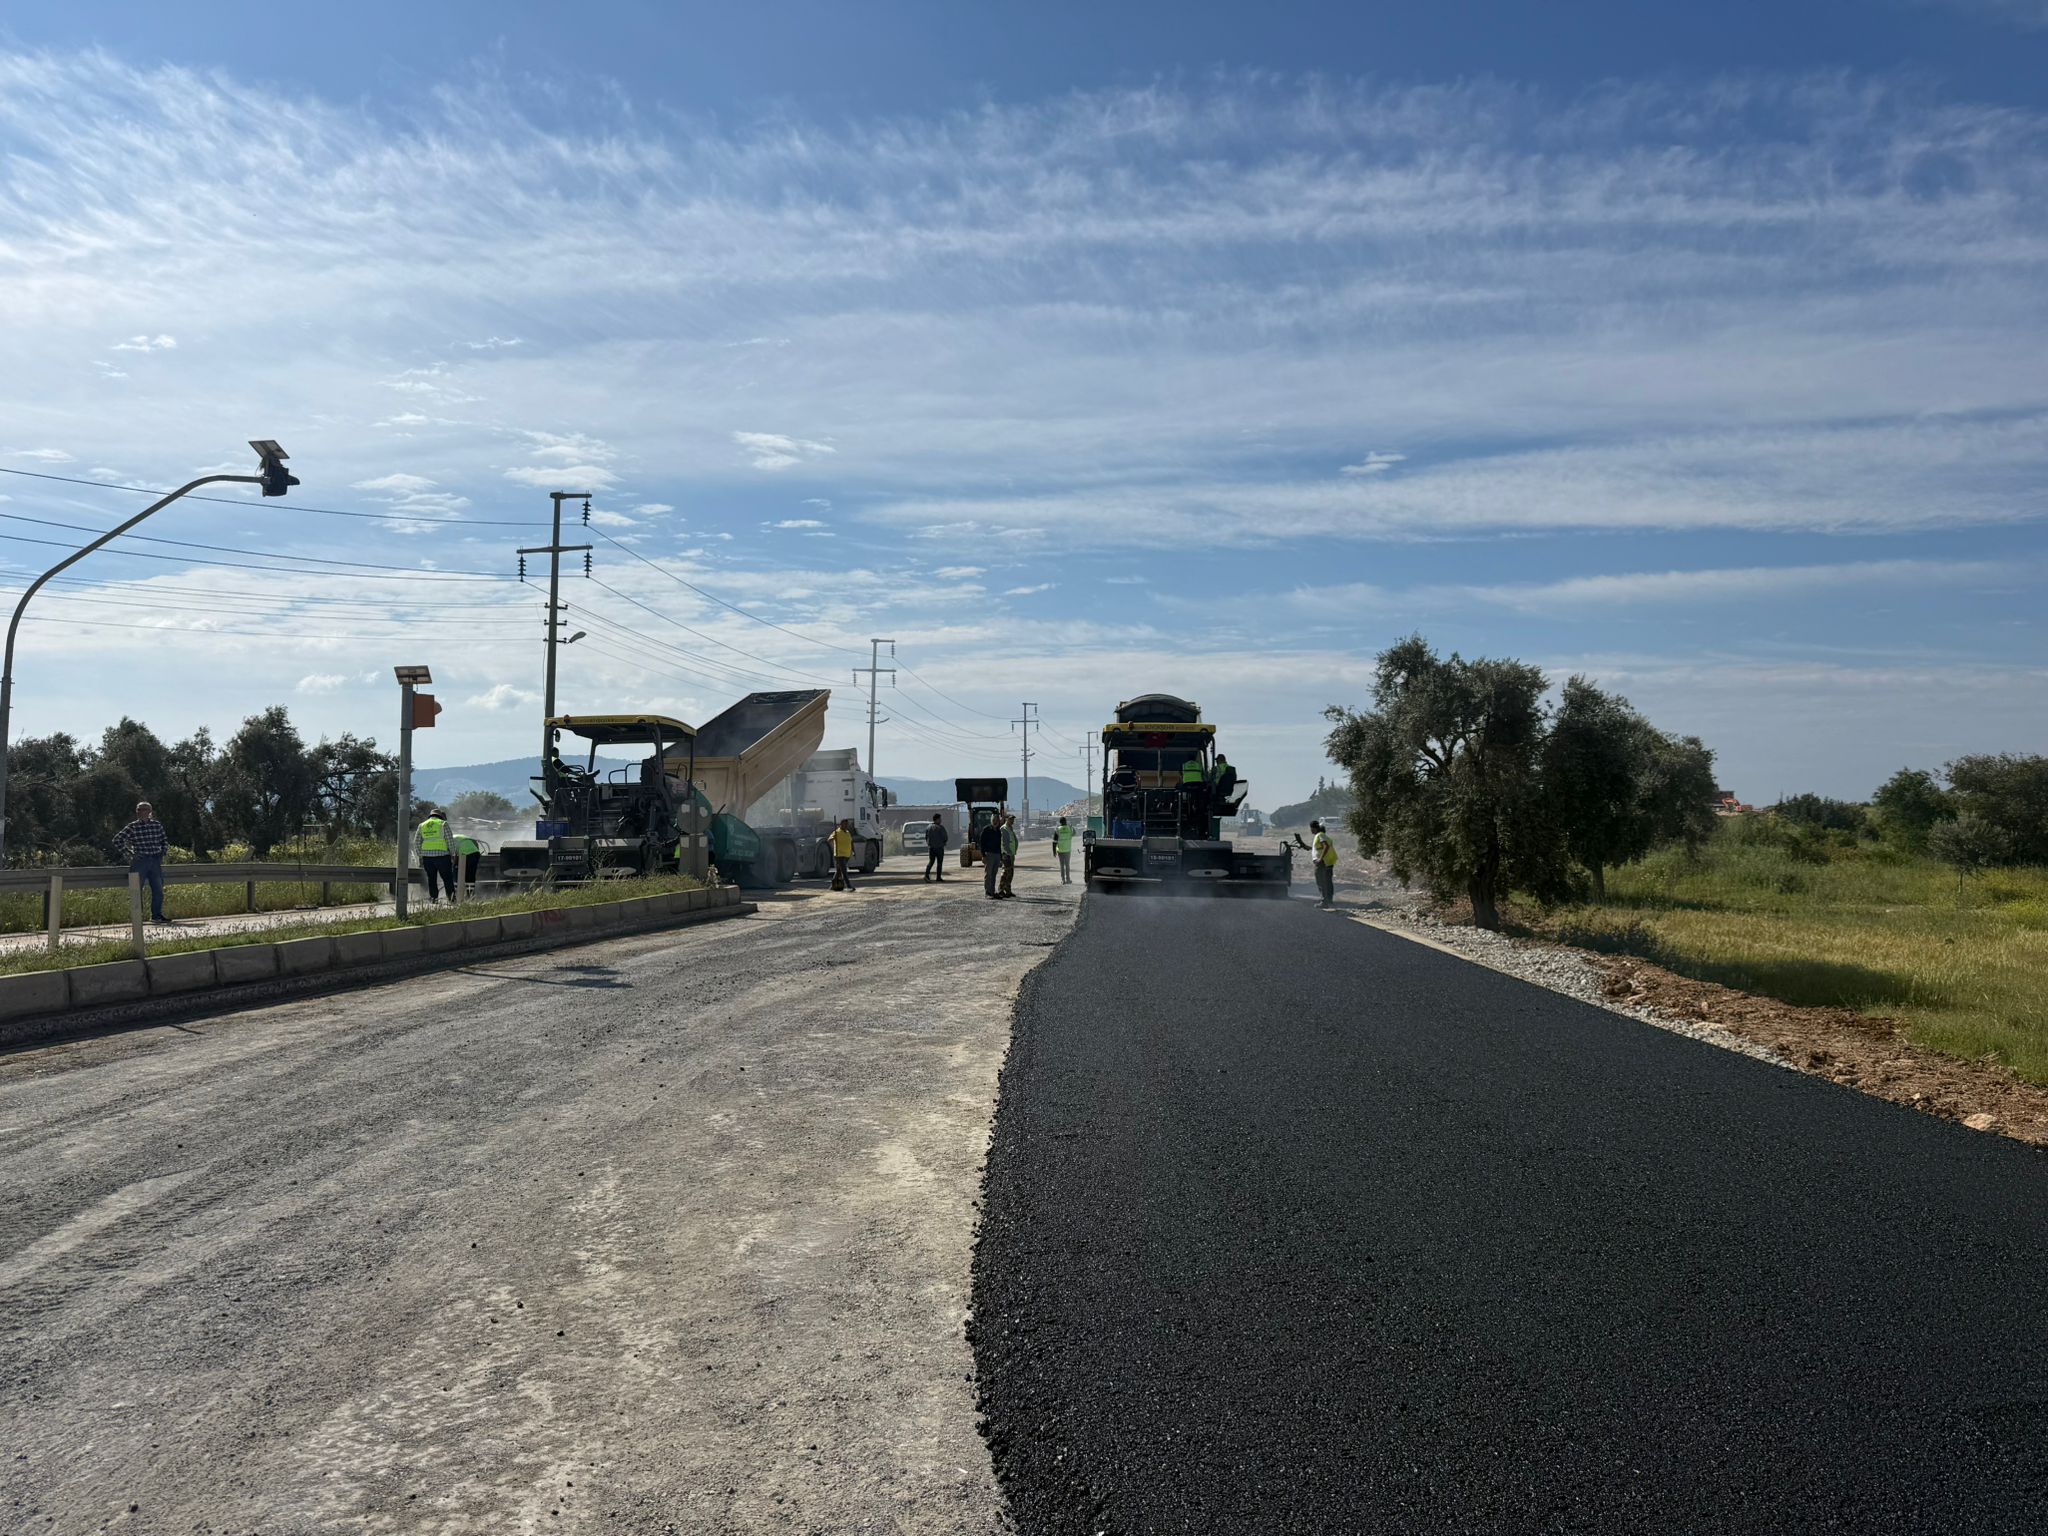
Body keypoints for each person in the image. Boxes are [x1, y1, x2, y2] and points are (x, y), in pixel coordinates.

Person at [113, 800, 170, 923]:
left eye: (143, 809)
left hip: (155, 860)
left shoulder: (157, 825)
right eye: (138, 809)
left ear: (149, 811)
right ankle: (137, 917)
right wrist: (130, 853)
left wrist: (162, 852)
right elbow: (117, 840)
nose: (140, 812)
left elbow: (164, 841)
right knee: (136, 890)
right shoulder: (132, 826)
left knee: (158, 889)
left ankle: (156, 915)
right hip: (140, 861)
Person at [1292, 819, 1338, 909]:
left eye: (1311, 828)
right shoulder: (1323, 836)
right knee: (1328, 881)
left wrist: (1320, 859)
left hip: (1322, 863)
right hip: (1329, 862)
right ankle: (1329, 900)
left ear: (1314, 828)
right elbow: (1318, 848)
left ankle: (1324, 902)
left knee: (1320, 881)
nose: (1310, 830)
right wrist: (1305, 846)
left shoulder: (1320, 835)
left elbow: (1326, 846)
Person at [415, 808, 456, 904]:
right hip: (442, 856)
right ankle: (451, 899)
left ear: (430, 816)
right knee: (447, 878)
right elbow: (449, 840)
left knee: (431, 878)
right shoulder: (443, 824)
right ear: (440, 816)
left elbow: (416, 842)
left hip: (427, 858)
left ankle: (434, 899)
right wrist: (453, 854)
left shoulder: (422, 825)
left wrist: (420, 855)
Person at [979, 813, 1003, 898]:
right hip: (989, 855)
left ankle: (993, 892)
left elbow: (1000, 844)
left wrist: (1000, 857)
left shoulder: (998, 831)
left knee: (994, 874)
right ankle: (988, 893)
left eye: (996, 819)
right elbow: (981, 843)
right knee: (988, 874)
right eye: (993, 819)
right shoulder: (986, 830)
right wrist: (983, 855)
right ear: (991, 820)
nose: (995, 821)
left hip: (996, 855)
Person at [831, 817, 857, 891]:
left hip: (846, 855)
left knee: (839, 871)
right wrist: (833, 838)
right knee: (844, 871)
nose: (846, 825)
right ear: (841, 824)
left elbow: (851, 842)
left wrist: (853, 851)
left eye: (847, 824)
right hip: (839, 855)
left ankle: (832, 886)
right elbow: (829, 839)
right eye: (844, 824)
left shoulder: (848, 833)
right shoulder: (837, 832)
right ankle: (849, 886)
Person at [997, 812, 1019, 898]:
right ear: (1006, 819)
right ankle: (1001, 890)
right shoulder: (1004, 829)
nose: (1012, 821)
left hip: (1011, 854)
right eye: (1011, 819)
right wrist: (1008, 853)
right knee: (1005, 872)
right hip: (1006, 854)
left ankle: (1008, 890)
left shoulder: (1010, 828)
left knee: (1010, 873)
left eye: (1013, 819)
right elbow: (1005, 843)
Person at [453, 832, 481, 896]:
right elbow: (474, 842)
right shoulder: (461, 836)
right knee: (470, 875)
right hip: (475, 853)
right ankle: (470, 894)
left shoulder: (447, 840)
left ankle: (457, 894)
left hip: (464, 854)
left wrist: (454, 864)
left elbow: (451, 853)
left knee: (456, 873)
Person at [923, 813, 949, 882]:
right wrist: (944, 843)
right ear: (937, 819)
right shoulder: (940, 827)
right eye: (940, 819)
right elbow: (945, 837)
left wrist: (929, 844)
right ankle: (938, 877)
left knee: (931, 862)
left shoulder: (928, 827)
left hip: (931, 848)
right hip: (939, 848)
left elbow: (926, 837)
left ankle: (926, 875)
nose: (941, 820)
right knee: (939, 863)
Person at [1053, 816, 1074, 884]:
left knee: (1062, 865)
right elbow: (1074, 833)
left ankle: (1063, 880)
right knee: (1067, 865)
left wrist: (1054, 851)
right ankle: (1068, 879)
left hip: (1060, 850)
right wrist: (1071, 826)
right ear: (1066, 821)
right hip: (1068, 850)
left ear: (1060, 822)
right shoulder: (1069, 828)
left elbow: (1054, 842)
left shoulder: (1057, 829)